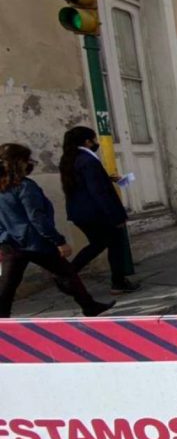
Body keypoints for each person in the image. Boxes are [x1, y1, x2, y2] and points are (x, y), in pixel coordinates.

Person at [0, 143, 115, 318]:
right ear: (18, 162)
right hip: (36, 243)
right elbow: (36, 218)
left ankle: (3, 319)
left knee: (7, 285)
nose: (29, 163)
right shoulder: (25, 187)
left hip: (10, 244)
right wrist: (58, 241)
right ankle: (89, 306)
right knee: (67, 273)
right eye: (26, 160)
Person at [59, 126, 139, 295]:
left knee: (98, 244)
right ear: (88, 141)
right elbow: (98, 192)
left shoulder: (71, 159)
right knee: (115, 244)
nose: (96, 143)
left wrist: (106, 178)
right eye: (94, 140)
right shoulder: (88, 161)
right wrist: (115, 216)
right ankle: (118, 282)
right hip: (97, 213)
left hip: (80, 213)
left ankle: (66, 274)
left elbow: (83, 185)